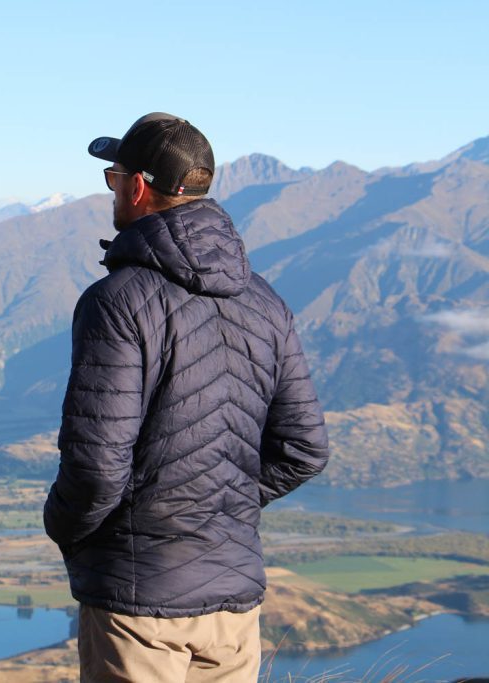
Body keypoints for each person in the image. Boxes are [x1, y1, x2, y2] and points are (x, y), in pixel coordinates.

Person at [43, 113, 329, 682]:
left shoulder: (117, 301)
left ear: (140, 186)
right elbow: (304, 448)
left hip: (137, 600)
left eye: (114, 176)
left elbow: (97, 468)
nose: (113, 189)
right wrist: (220, 507)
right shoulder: (265, 302)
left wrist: (68, 530)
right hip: (234, 604)